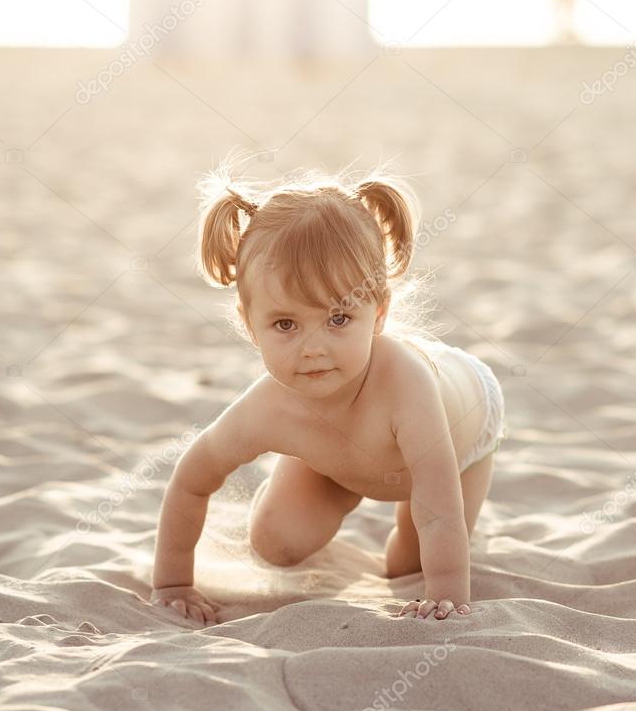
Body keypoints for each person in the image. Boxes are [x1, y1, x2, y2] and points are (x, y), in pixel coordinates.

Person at [148, 154, 507, 625]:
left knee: (410, 563)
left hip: (462, 428)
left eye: (338, 319)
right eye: (285, 324)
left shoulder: (407, 387)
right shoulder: (267, 406)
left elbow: (439, 510)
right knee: (275, 541)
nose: (312, 349)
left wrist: (444, 597)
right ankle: (338, 482)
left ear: (377, 314)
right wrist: (173, 584)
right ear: (249, 325)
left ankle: (409, 552)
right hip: (347, 459)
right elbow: (192, 480)